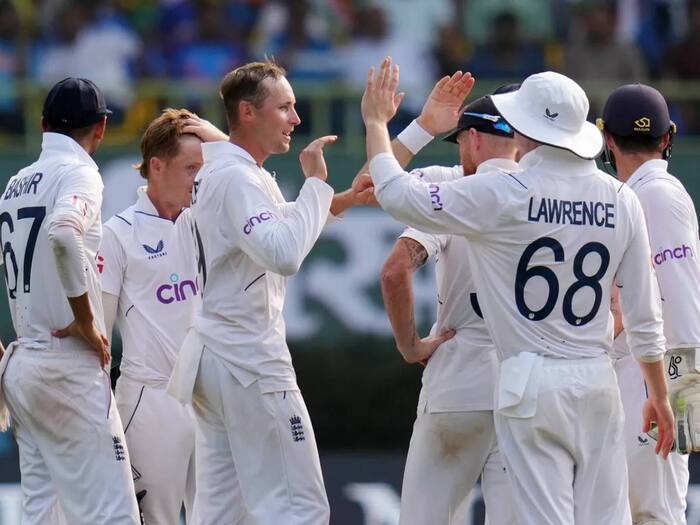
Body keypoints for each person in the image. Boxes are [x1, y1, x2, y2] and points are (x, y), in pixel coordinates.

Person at [362, 58, 675, 524]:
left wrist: (375, 123)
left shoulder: (503, 192)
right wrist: (660, 395)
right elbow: (644, 315)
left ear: (525, 127)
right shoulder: (620, 197)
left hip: (529, 382)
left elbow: (394, 194)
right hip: (598, 379)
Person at [167, 60, 371, 525]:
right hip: (250, 362)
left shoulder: (224, 172)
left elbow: (277, 226)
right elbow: (283, 253)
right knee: (299, 509)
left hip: (216, 356)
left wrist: (336, 199)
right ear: (247, 112)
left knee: (221, 514)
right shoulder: (237, 177)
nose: (296, 118)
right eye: (285, 107)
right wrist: (316, 184)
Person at [0, 77, 139, 524]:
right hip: (67, 364)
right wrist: (84, 318)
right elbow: (63, 233)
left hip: (23, 363)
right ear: (101, 128)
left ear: (43, 125)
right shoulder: (80, 173)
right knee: (113, 514)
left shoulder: (15, 183)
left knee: (42, 513)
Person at [381, 92, 518, 525]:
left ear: (472, 139)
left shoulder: (450, 192)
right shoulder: (549, 195)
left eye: (459, 140)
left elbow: (394, 270)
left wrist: (411, 347)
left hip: (459, 381)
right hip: (527, 387)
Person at [100, 108, 211, 524]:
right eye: (190, 168)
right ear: (157, 166)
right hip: (150, 400)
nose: (199, 179)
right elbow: (100, 334)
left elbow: (275, 218)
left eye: (203, 168)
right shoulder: (118, 234)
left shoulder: (207, 222)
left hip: (210, 399)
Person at [600, 84, 699, 525]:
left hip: (651, 381)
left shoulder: (657, 194)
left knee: (654, 514)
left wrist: (683, 401)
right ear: (667, 137)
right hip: (638, 380)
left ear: (607, 138)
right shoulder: (642, 193)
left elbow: (681, 301)